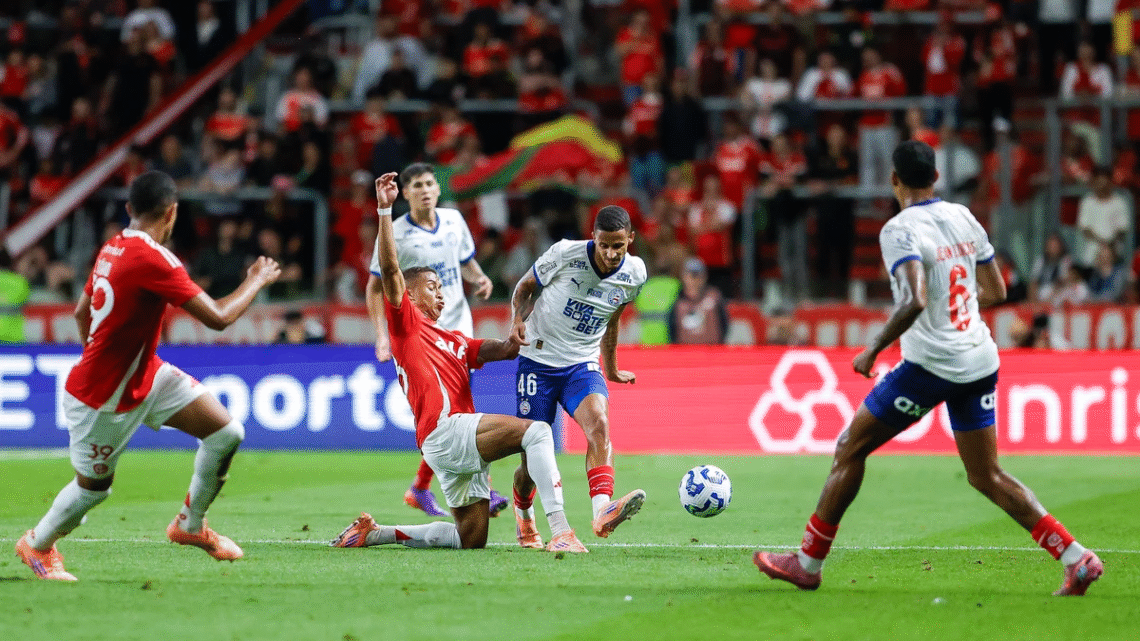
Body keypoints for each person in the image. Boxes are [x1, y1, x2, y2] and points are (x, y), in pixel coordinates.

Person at [753, 141, 1103, 596]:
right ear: (936, 178)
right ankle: (1075, 557)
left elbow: (915, 299)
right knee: (986, 475)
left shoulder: (899, 230)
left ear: (894, 180)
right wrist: (956, 312)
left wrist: (873, 349)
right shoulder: (963, 217)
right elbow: (996, 290)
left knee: (849, 448)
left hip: (931, 365)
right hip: (979, 358)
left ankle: (807, 563)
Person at [15, 171, 282, 581]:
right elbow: (220, 318)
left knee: (226, 433)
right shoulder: (155, 258)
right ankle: (38, 544)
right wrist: (256, 280)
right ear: (172, 212)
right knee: (92, 490)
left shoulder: (112, 247)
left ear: (129, 209)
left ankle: (190, 526)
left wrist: (109, 354)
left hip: (146, 374)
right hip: (102, 397)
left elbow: (80, 312)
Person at [331, 173, 587, 553]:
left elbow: (498, 350)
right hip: (447, 430)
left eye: (441, 286)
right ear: (410, 295)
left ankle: (376, 533)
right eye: (432, 287)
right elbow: (389, 270)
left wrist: (519, 330)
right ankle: (560, 530)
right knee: (537, 433)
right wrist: (385, 209)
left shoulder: (453, 339)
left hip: (445, 446)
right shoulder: (407, 325)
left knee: (471, 539)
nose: (442, 293)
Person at [366, 163, 506, 518]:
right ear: (407, 194)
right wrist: (382, 336)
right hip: (423, 332)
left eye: (430, 183)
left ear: (438, 190)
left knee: (460, 401)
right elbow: (374, 286)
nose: (425, 189)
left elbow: (465, 261)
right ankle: (458, 486)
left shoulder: (455, 221)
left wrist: (480, 278)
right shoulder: (395, 232)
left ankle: (426, 487)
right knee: (445, 409)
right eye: (417, 185)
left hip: (458, 322)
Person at [508, 205, 648, 549]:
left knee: (599, 423)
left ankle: (602, 510)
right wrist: (517, 320)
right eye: (604, 245)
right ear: (593, 238)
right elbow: (525, 287)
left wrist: (610, 367)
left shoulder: (636, 273)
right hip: (537, 361)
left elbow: (612, 316)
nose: (612, 253)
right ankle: (524, 515)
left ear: (630, 239)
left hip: (581, 364)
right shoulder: (565, 254)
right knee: (530, 462)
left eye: (619, 245)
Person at [668, 257, 729, 344]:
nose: (695, 280)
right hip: (685, 352)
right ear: (684, 277)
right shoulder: (678, 300)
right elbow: (671, 328)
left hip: (711, 351)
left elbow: (724, 324)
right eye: (691, 275)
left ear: (705, 276)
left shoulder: (714, 297)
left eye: (698, 275)